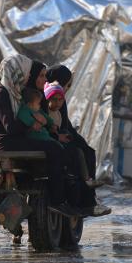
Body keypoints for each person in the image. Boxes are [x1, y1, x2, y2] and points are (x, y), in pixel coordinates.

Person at [0, 54, 78, 217]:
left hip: (14, 140)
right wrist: (34, 122)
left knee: (54, 145)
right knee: (53, 148)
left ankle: (60, 188)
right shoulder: (0, 94)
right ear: (17, 72)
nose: (28, 76)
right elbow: (11, 128)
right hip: (7, 144)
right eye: (26, 72)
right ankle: (58, 201)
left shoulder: (11, 92)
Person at [45, 65, 110, 217]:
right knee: (77, 155)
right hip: (52, 138)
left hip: (60, 134)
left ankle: (90, 196)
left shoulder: (57, 95)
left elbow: (64, 123)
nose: (67, 88)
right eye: (67, 84)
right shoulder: (49, 95)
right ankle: (87, 202)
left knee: (87, 151)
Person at [45, 81, 101, 188]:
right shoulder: (46, 113)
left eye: (60, 100)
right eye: (54, 99)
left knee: (81, 150)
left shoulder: (59, 114)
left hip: (58, 141)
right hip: (52, 143)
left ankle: (86, 179)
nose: (57, 103)